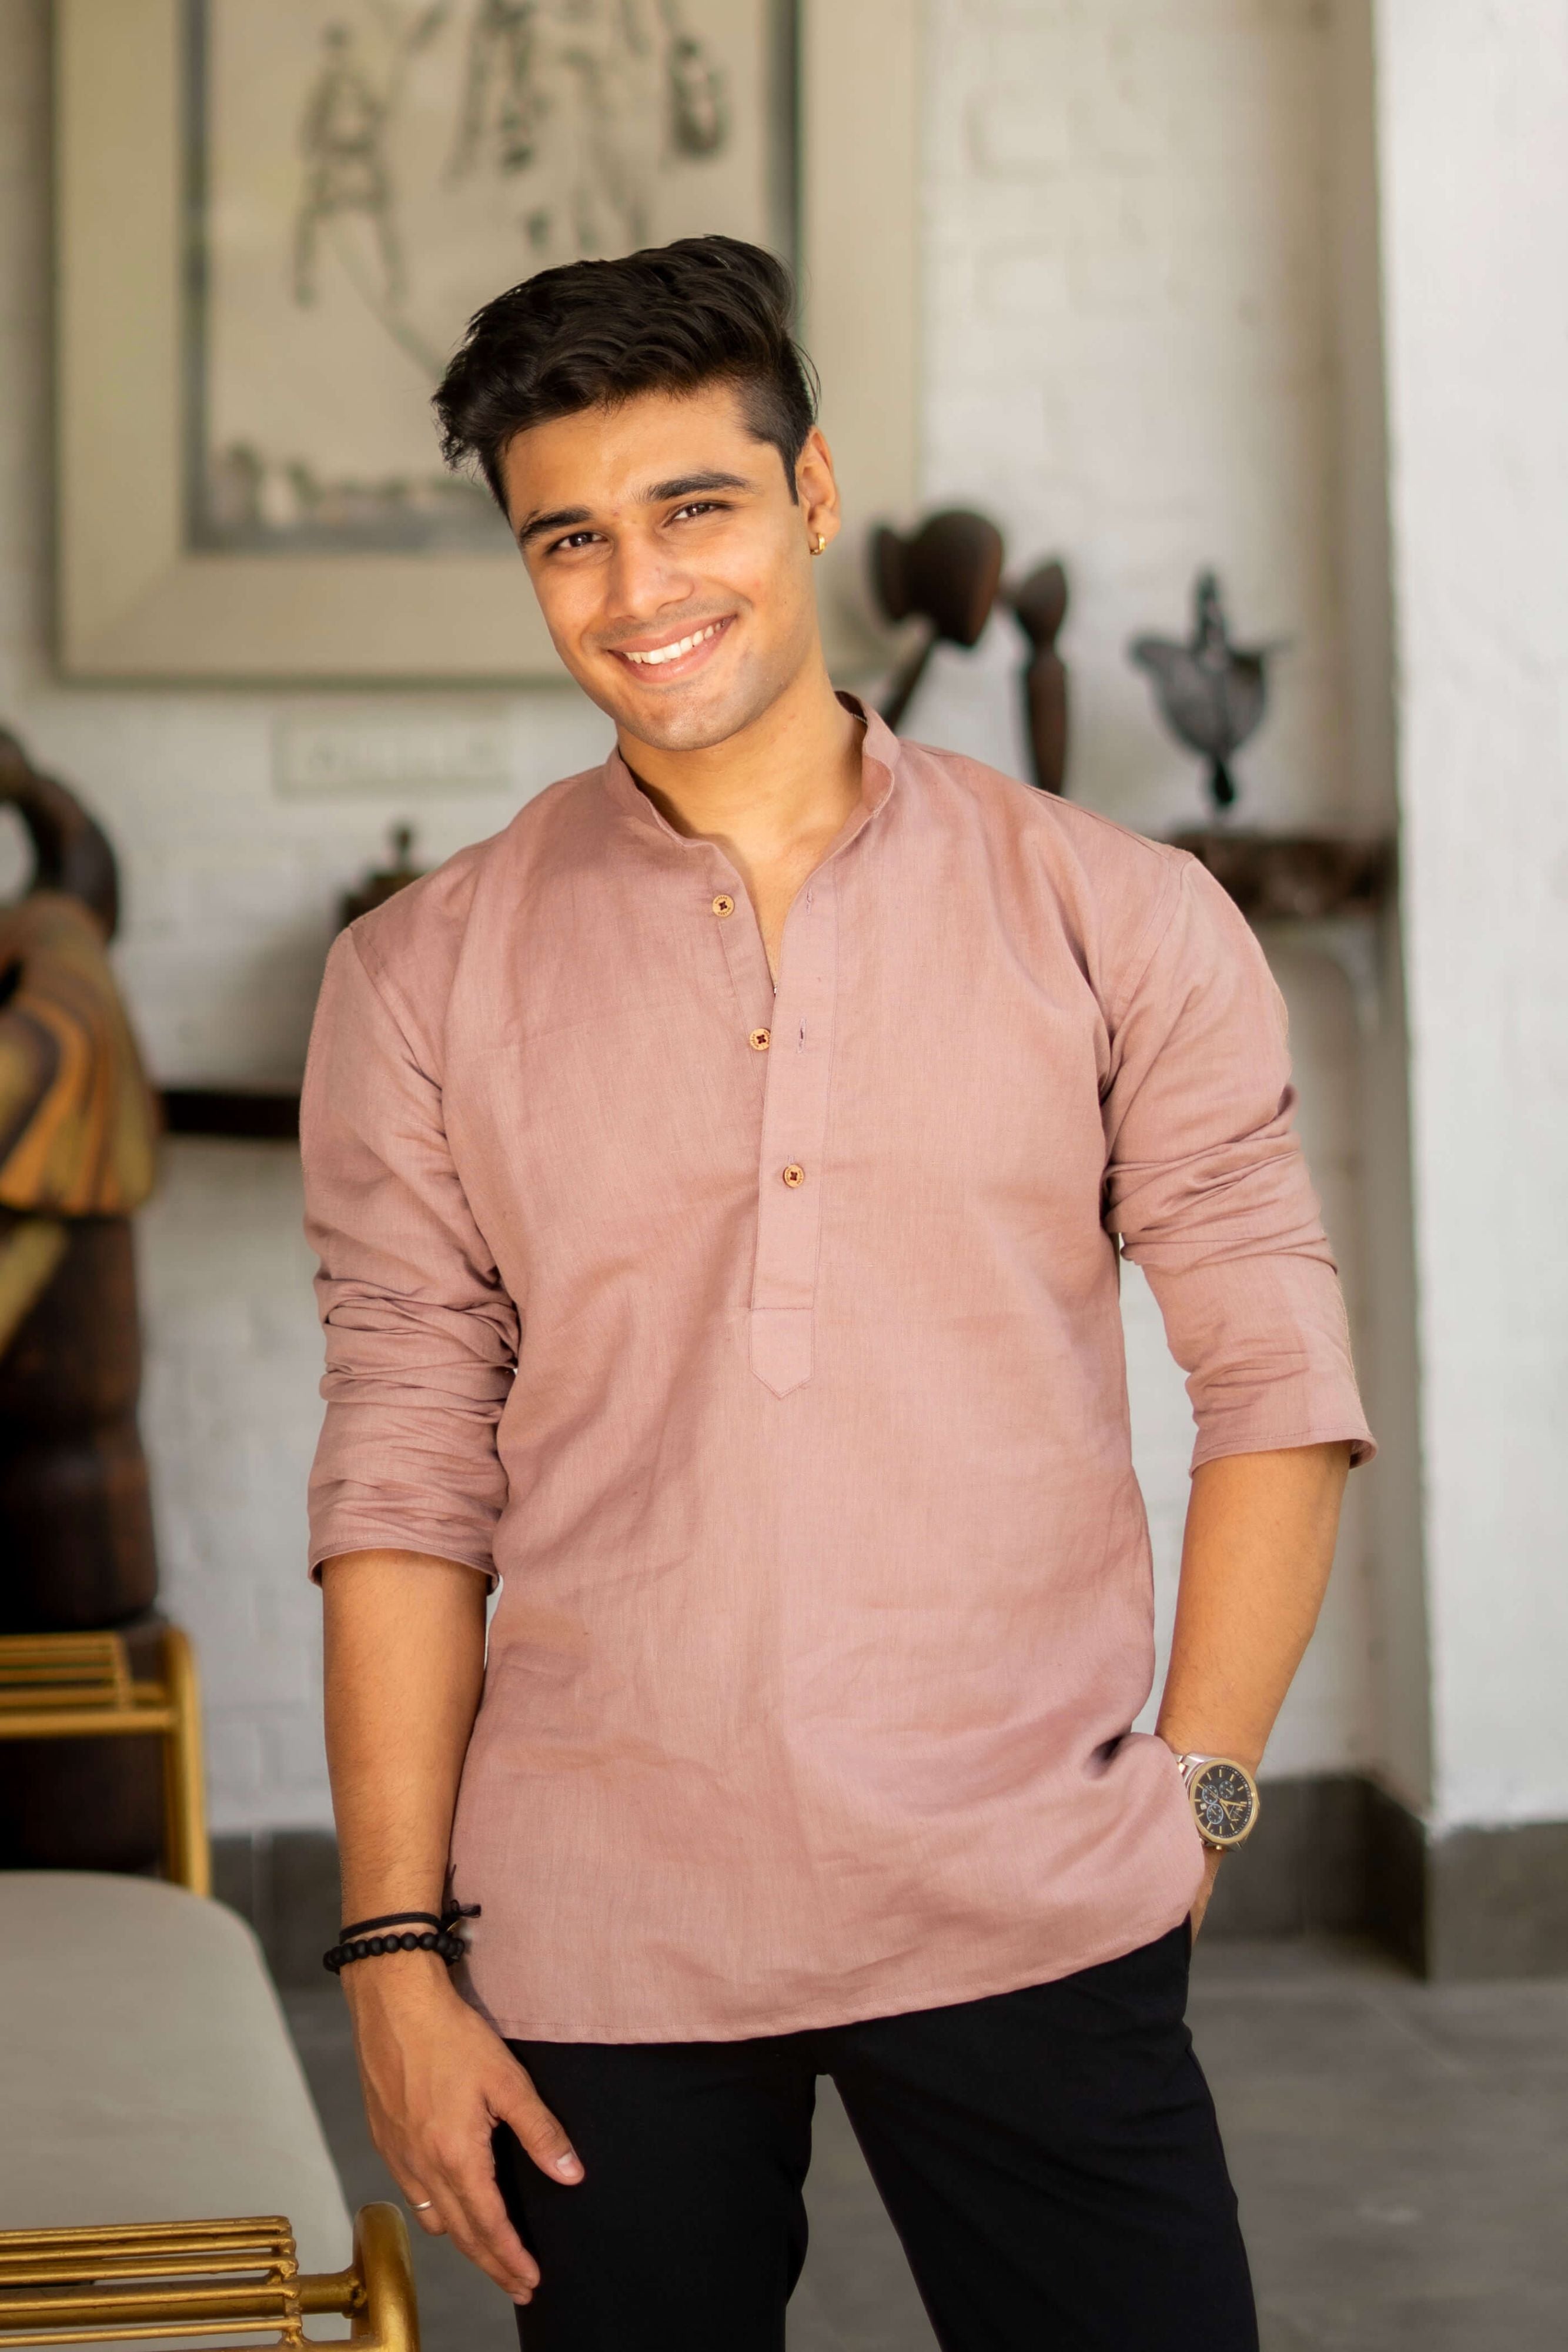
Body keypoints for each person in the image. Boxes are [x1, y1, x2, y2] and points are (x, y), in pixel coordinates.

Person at [302, 235, 1373, 2352]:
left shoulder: (1114, 913)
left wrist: (1200, 1802)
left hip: (1035, 1889)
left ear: (811, 495)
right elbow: (403, 1479)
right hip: (598, 1928)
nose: (636, 593)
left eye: (691, 507)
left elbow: (1274, 1376)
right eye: (570, 542)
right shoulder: (420, 974)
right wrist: (394, 1958)